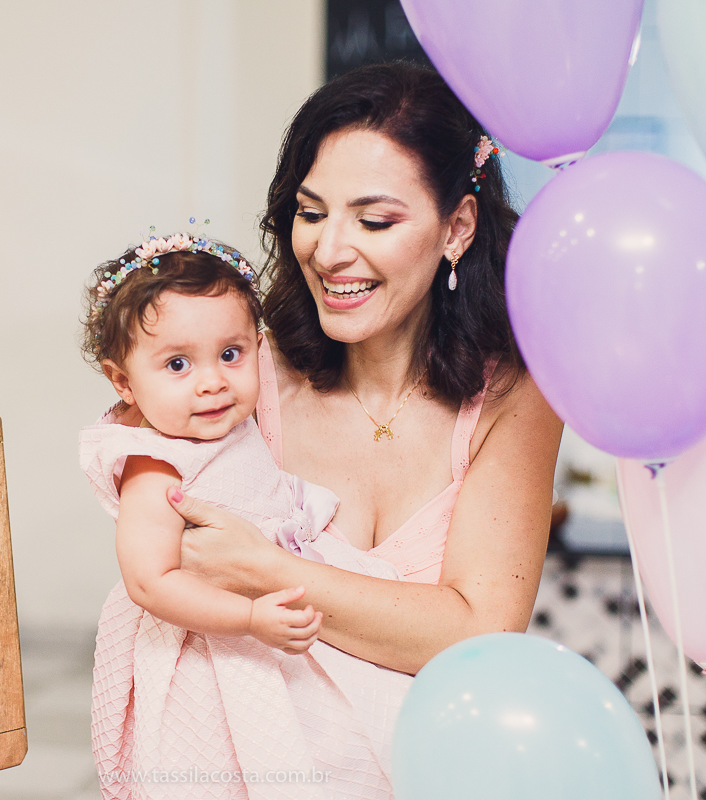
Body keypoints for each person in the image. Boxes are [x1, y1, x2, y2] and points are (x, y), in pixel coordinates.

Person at [169, 63, 563, 701]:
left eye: (373, 222)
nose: (328, 252)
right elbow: (164, 558)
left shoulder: (512, 397)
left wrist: (266, 570)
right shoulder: (240, 376)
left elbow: (481, 628)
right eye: (311, 213)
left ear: (457, 228)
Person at [81, 233, 418, 799]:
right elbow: (149, 579)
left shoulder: (237, 426)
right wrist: (248, 618)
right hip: (207, 642)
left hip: (273, 607)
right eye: (178, 364)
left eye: (230, 354)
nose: (212, 381)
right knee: (228, 764)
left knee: (335, 737)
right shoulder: (156, 463)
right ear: (123, 382)